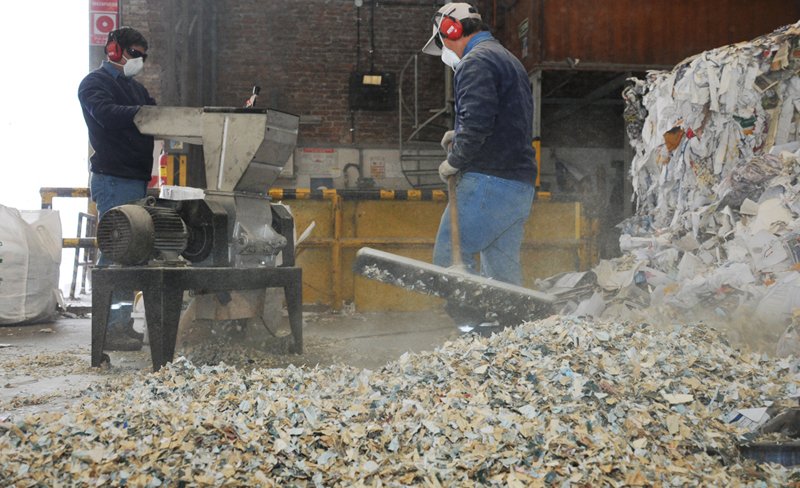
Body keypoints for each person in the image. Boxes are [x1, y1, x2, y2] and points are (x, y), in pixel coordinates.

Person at [421, 3, 536, 331]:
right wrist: (461, 133)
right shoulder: (508, 59)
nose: (445, 52)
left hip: (489, 179)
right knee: (502, 274)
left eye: (442, 43)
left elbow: (478, 119)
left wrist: (455, 160)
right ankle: (511, 336)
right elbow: (504, 119)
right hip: (518, 185)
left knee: (449, 257)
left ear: (451, 31)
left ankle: (470, 329)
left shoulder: (475, 61)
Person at [78, 26, 156, 351]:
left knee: (131, 255)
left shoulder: (136, 90)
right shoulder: (94, 84)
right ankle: (107, 330)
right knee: (113, 253)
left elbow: (157, 114)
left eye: (143, 56)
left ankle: (120, 326)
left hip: (135, 180)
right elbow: (106, 115)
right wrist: (145, 115)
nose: (139, 60)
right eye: (134, 53)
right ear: (114, 50)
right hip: (112, 179)